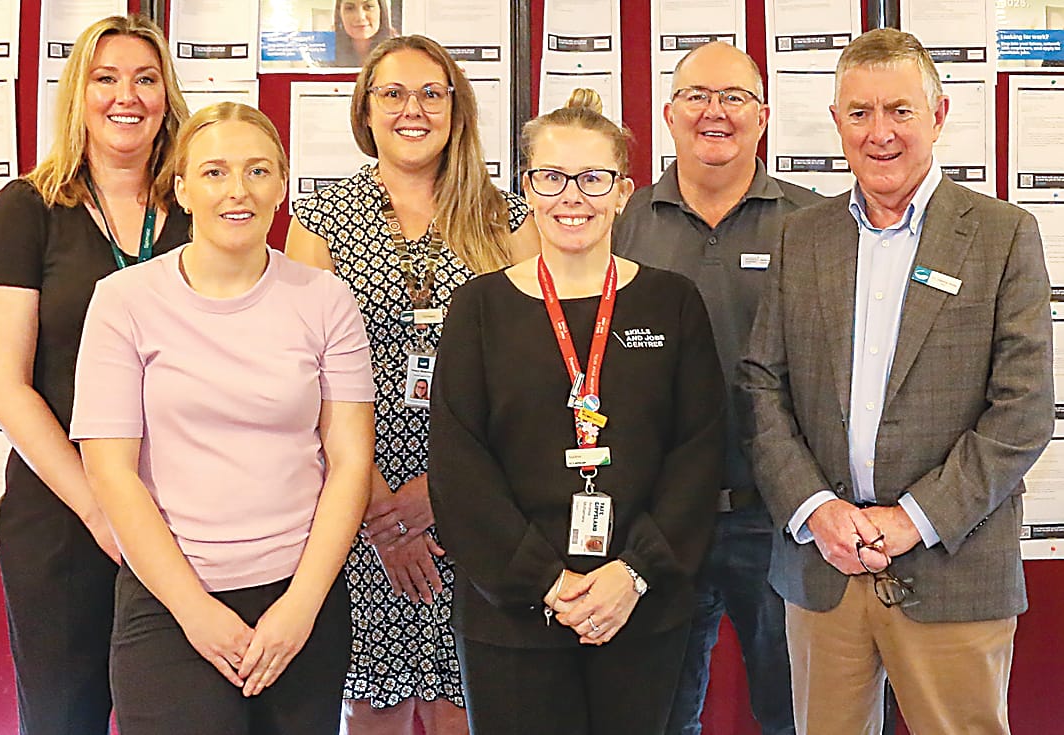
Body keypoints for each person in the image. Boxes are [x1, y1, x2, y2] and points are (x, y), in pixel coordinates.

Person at [738, 28, 1053, 735]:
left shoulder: (1004, 235)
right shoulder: (802, 237)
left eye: (900, 111)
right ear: (836, 120)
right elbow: (761, 385)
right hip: (823, 568)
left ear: (939, 115)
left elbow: (1023, 412)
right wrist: (817, 508)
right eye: (859, 113)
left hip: (954, 566)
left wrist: (912, 518)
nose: (879, 133)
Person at [69, 102, 375, 734]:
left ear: (282, 183)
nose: (238, 191)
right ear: (181, 188)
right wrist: (195, 612)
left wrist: (301, 606)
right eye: (214, 173)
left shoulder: (324, 297)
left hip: (300, 597)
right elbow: (112, 474)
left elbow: (349, 462)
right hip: (170, 604)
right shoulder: (123, 300)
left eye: (258, 171)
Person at [428, 89, 726, 735]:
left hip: (641, 606)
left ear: (623, 191)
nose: (572, 197)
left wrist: (633, 572)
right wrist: (547, 581)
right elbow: (459, 467)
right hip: (514, 614)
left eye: (593, 178)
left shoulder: (671, 302)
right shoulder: (479, 307)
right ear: (527, 188)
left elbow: (699, 455)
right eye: (552, 177)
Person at [286, 34, 538, 734]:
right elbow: (302, 378)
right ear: (365, 111)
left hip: (478, 498)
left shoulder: (509, 220)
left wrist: (442, 493)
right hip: (355, 501)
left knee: (467, 701)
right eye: (392, 93)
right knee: (373, 703)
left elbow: (531, 377)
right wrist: (376, 510)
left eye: (431, 92)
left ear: (457, 109)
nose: (412, 109)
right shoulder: (323, 221)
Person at [0, 15, 189, 734]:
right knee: (66, 719)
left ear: (167, 96)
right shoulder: (27, 209)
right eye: (106, 77)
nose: (128, 95)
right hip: (67, 518)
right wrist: (101, 508)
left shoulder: (199, 211)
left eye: (146, 79)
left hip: (187, 516)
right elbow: (4, 383)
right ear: (78, 94)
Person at [613, 41, 817, 735]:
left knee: (797, 714)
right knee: (662, 716)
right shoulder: (622, 222)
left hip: (781, 518)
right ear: (668, 114)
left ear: (763, 116)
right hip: (661, 518)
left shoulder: (814, 224)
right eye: (697, 96)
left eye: (734, 98)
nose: (715, 113)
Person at [334, 0, 396, 68]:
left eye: (368, 7)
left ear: (381, 11)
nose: (360, 17)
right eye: (350, 8)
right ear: (340, 14)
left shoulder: (398, 50)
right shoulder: (326, 51)